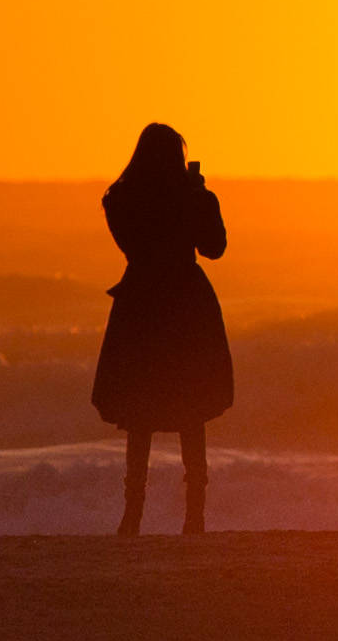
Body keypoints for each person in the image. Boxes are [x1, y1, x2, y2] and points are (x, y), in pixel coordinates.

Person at [91, 123, 232, 535]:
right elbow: (215, 247)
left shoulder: (125, 200)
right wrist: (200, 197)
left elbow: (128, 238)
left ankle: (132, 515)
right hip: (186, 304)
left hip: (142, 303)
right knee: (193, 409)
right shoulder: (187, 198)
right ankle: (195, 516)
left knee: (141, 411)